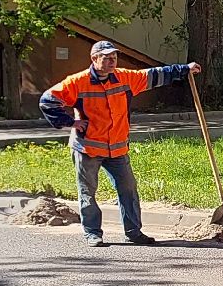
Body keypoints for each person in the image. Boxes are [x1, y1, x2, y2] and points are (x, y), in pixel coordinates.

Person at [39, 41, 199, 248]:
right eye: (106, 57)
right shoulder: (78, 82)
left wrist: (185, 69)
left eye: (114, 56)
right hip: (88, 148)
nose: (111, 60)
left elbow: (155, 74)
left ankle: (133, 232)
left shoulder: (125, 78)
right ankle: (92, 234)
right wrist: (70, 122)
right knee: (88, 192)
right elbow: (47, 100)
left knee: (129, 189)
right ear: (94, 59)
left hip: (117, 148)